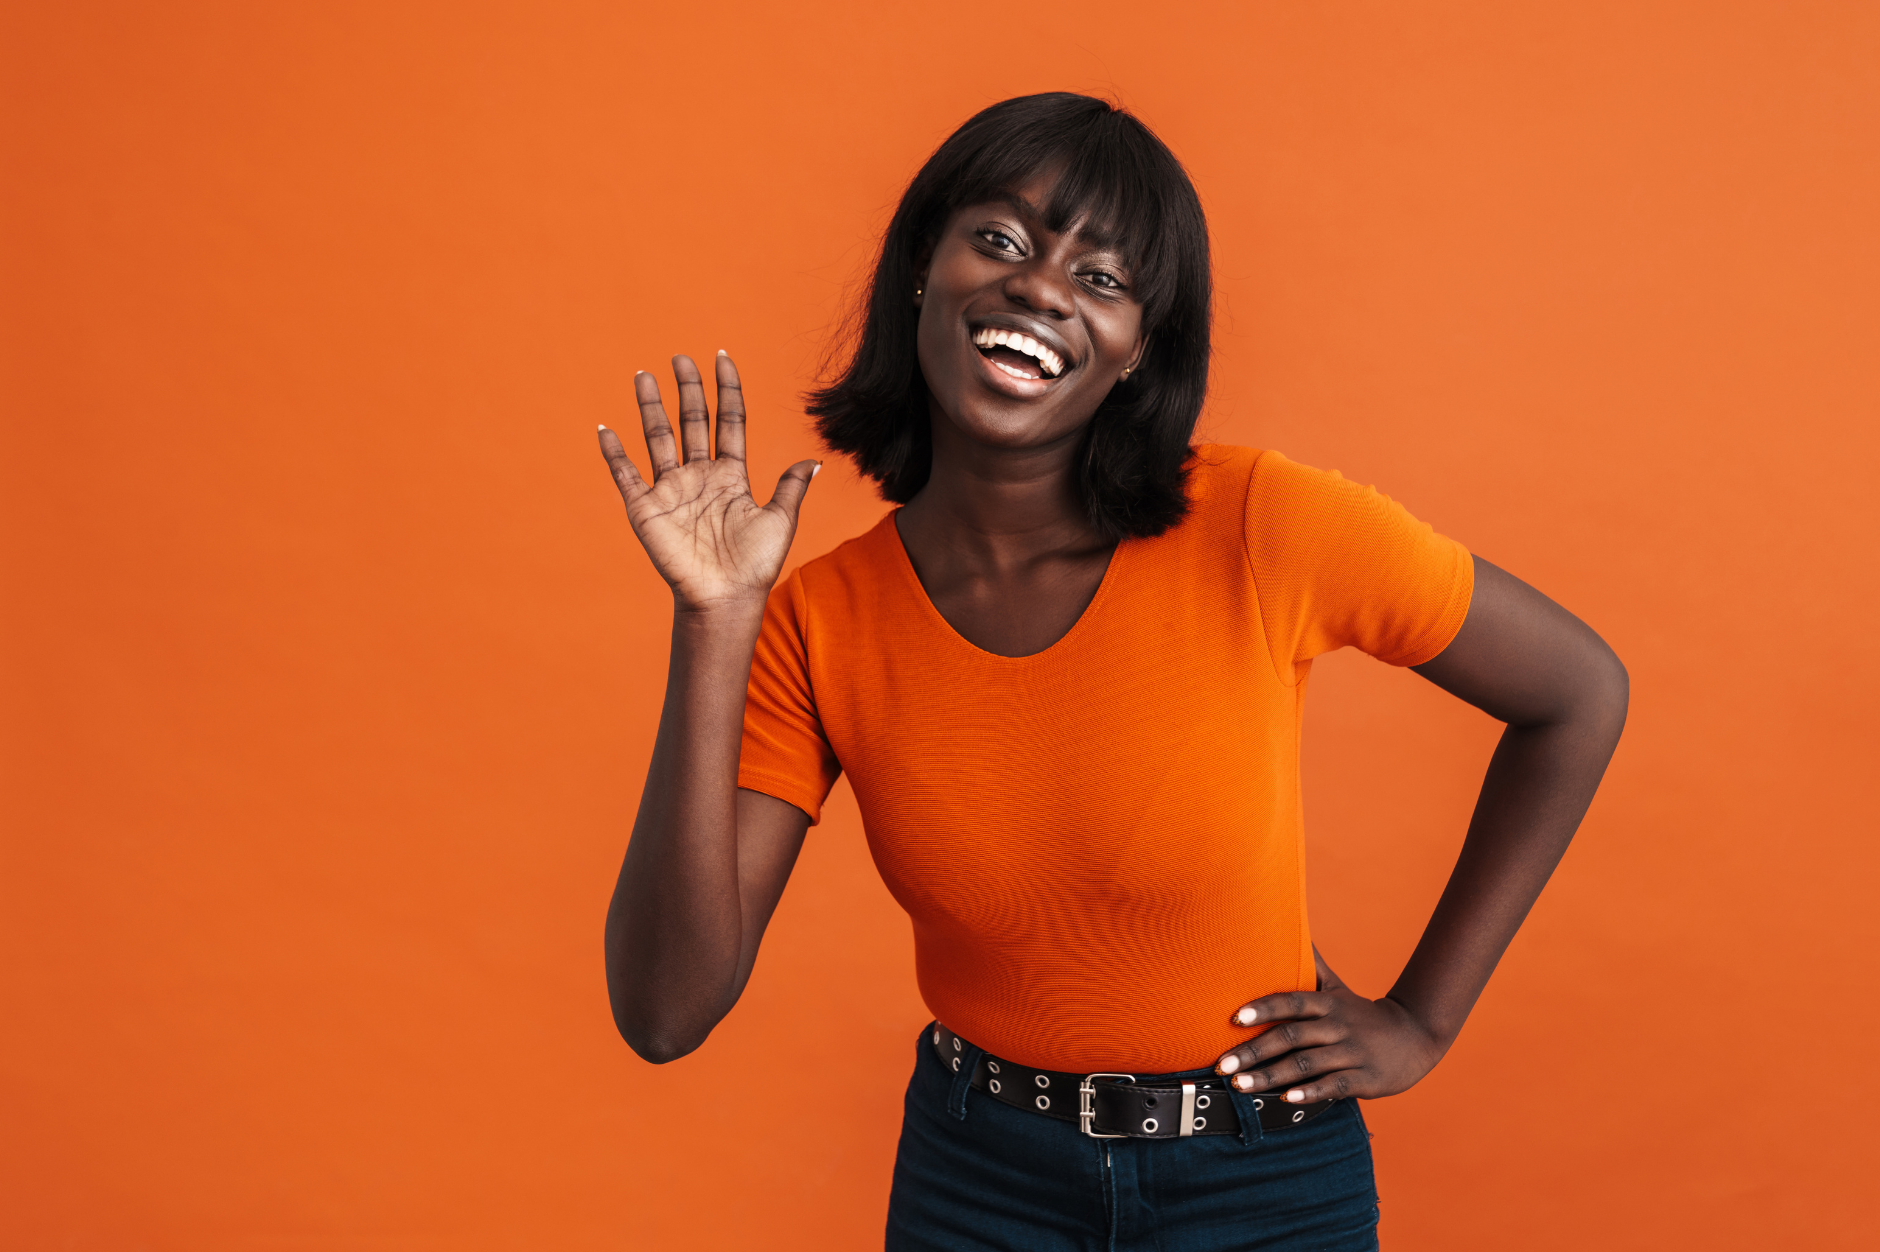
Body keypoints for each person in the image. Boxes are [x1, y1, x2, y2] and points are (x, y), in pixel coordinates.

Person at [596, 92, 1627, 1252]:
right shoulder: (819, 622)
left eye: (1100, 278)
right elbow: (664, 1011)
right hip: (977, 1185)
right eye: (1000, 239)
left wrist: (1421, 1018)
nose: (1039, 288)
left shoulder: (1257, 523)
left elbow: (1577, 691)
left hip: (1262, 1181)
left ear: (1138, 349)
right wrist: (713, 624)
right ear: (922, 268)